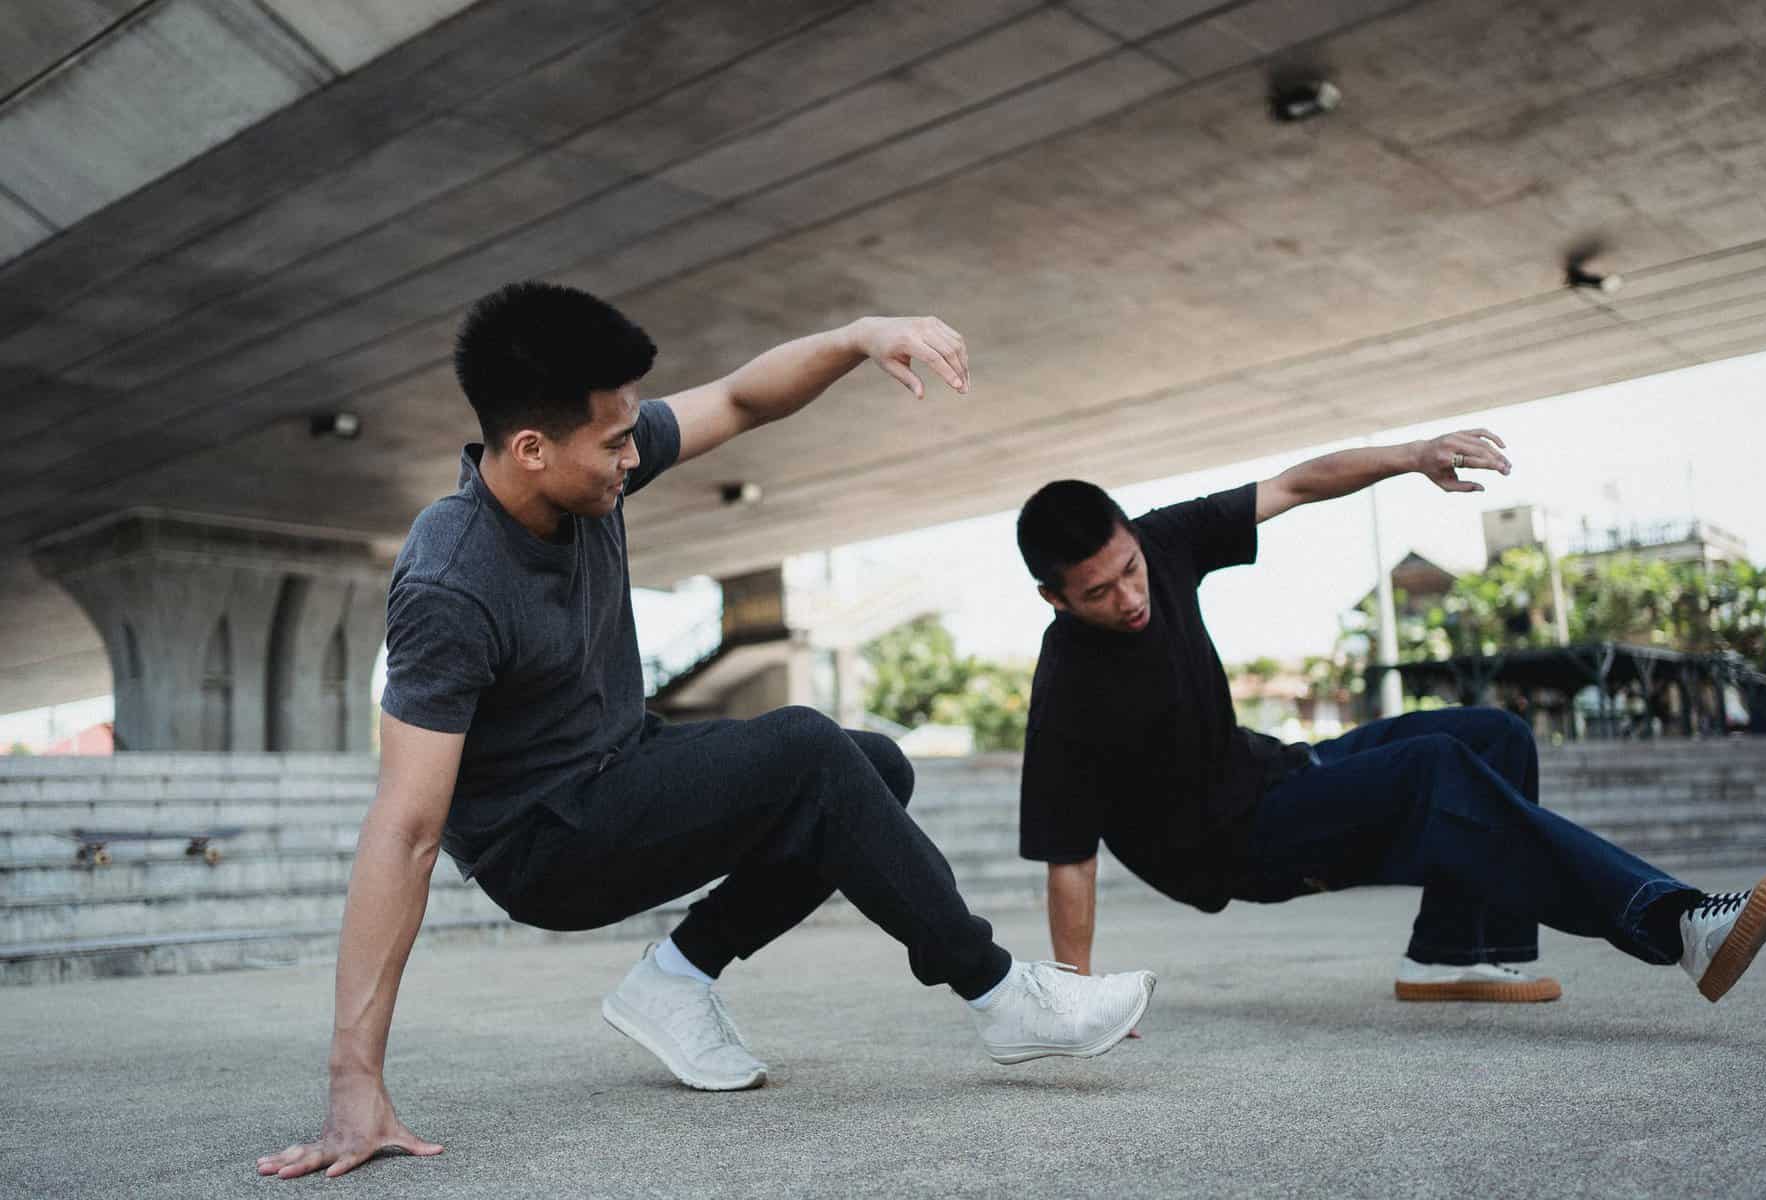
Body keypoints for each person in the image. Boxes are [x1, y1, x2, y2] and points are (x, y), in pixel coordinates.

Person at [257, 282, 1154, 1181]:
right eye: (614, 445)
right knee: (809, 746)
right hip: (545, 848)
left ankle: (677, 979)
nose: (628, 460)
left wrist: (855, 335)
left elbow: (737, 397)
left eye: (630, 435)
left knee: (868, 763)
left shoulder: (587, 467)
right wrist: (352, 1082)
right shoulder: (450, 581)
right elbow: (405, 828)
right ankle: (1000, 995)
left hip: (626, 763)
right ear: (531, 449)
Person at [1012, 431, 1766, 1010]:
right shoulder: (1068, 691)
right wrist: (1079, 1005)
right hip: (1227, 848)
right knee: (1433, 769)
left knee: (1493, 734)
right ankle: (1676, 923)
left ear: (1130, 537)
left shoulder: (1161, 539)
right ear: (1056, 599)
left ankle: (1459, 952)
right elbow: (1069, 861)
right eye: (1099, 595)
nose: (1130, 597)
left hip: (1277, 773)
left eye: (1130, 571)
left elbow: (1295, 483)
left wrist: (1412, 455)